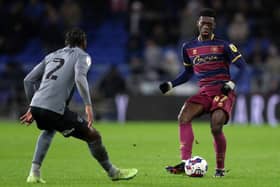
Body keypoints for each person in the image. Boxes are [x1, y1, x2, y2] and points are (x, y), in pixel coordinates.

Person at [20, 28, 138, 183]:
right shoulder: (83, 56)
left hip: (37, 105)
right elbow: (80, 78)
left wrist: (32, 107)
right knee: (93, 135)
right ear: (84, 42)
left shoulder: (51, 55)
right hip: (54, 108)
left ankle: (33, 174)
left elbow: (28, 80)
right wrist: (88, 105)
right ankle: (113, 172)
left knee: (49, 130)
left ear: (66, 42)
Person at [159, 8, 247, 177]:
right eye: (203, 23)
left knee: (215, 127)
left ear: (214, 25)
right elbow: (188, 73)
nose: (206, 26)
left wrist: (231, 83)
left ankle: (220, 169)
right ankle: (185, 163)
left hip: (222, 92)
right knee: (183, 117)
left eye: (209, 23)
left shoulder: (224, 45)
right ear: (197, 24)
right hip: (204, 93)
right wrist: (171, 84)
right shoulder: (188, 47)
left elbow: (243, 67)